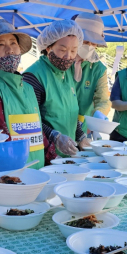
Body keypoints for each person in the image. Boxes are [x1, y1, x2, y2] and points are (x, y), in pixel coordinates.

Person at [0, 19, 50, 168]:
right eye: (1, 45)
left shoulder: (27, 87)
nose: (9, 50)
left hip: (38, 172)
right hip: (15, 176)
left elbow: (37, 130)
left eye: (13, 43)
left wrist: (54, 161)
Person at [23, 20, 87, 158]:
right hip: (47, 156)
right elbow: (30, 121)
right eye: (62, 50)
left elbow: (70, 111)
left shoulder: (67, 72)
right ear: (48, 47)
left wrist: (80, 136)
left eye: (73, 51)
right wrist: (55, 137)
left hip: (68, 155)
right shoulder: (34, 76)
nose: (68, 56)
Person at [71, 13, 111, 131]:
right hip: (58, 125)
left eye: (93, 43)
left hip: (83, 128)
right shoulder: (64, 62)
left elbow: (103, 99)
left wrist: (99, 113)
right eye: (85, 41)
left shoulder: (98, 69)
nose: (89, 46)